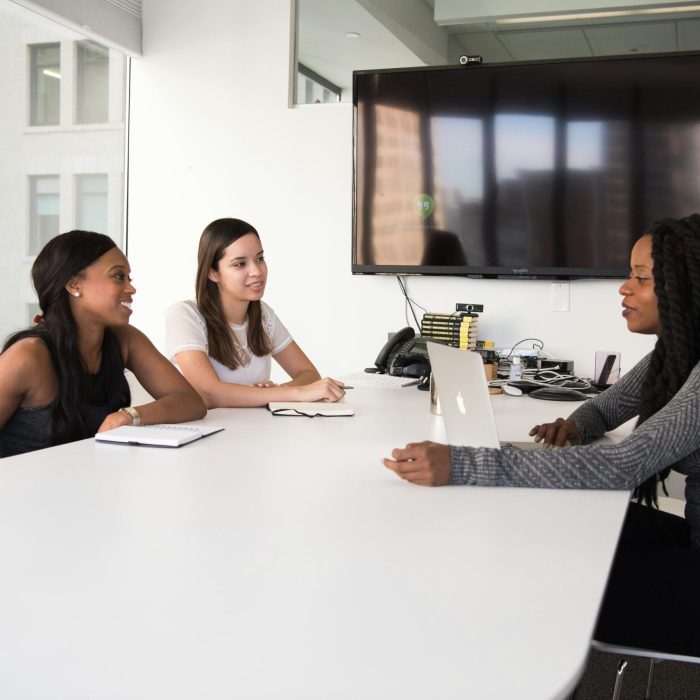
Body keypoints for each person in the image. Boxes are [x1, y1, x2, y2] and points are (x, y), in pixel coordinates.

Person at [384, 213, 700, 656]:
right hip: (691, 536)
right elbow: (606, 407)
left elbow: (625, 464)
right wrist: (576, 427)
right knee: (560, 524)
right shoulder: (678, 353)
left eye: (641, 278)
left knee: (541, 575)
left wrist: (464, 463)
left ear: (686, 287)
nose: (623, 288)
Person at [0, 231, 206, 458]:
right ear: (74, 284)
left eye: (130, 278)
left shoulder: (125, 339)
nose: (131, 288)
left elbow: (190, 402)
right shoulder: (27, 357)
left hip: (86, 484)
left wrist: (128, 416)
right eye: (118, 277)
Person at [164, 218, 345, 408]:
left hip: (258, 431)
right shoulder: (184, 315)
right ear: (212, 273)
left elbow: (308, 374)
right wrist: (282, 393)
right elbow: (209, 393)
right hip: (212, 434)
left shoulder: (263, 314)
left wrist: (272, 393)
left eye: (260, 258)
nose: (257, 271)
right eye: (240, 264)